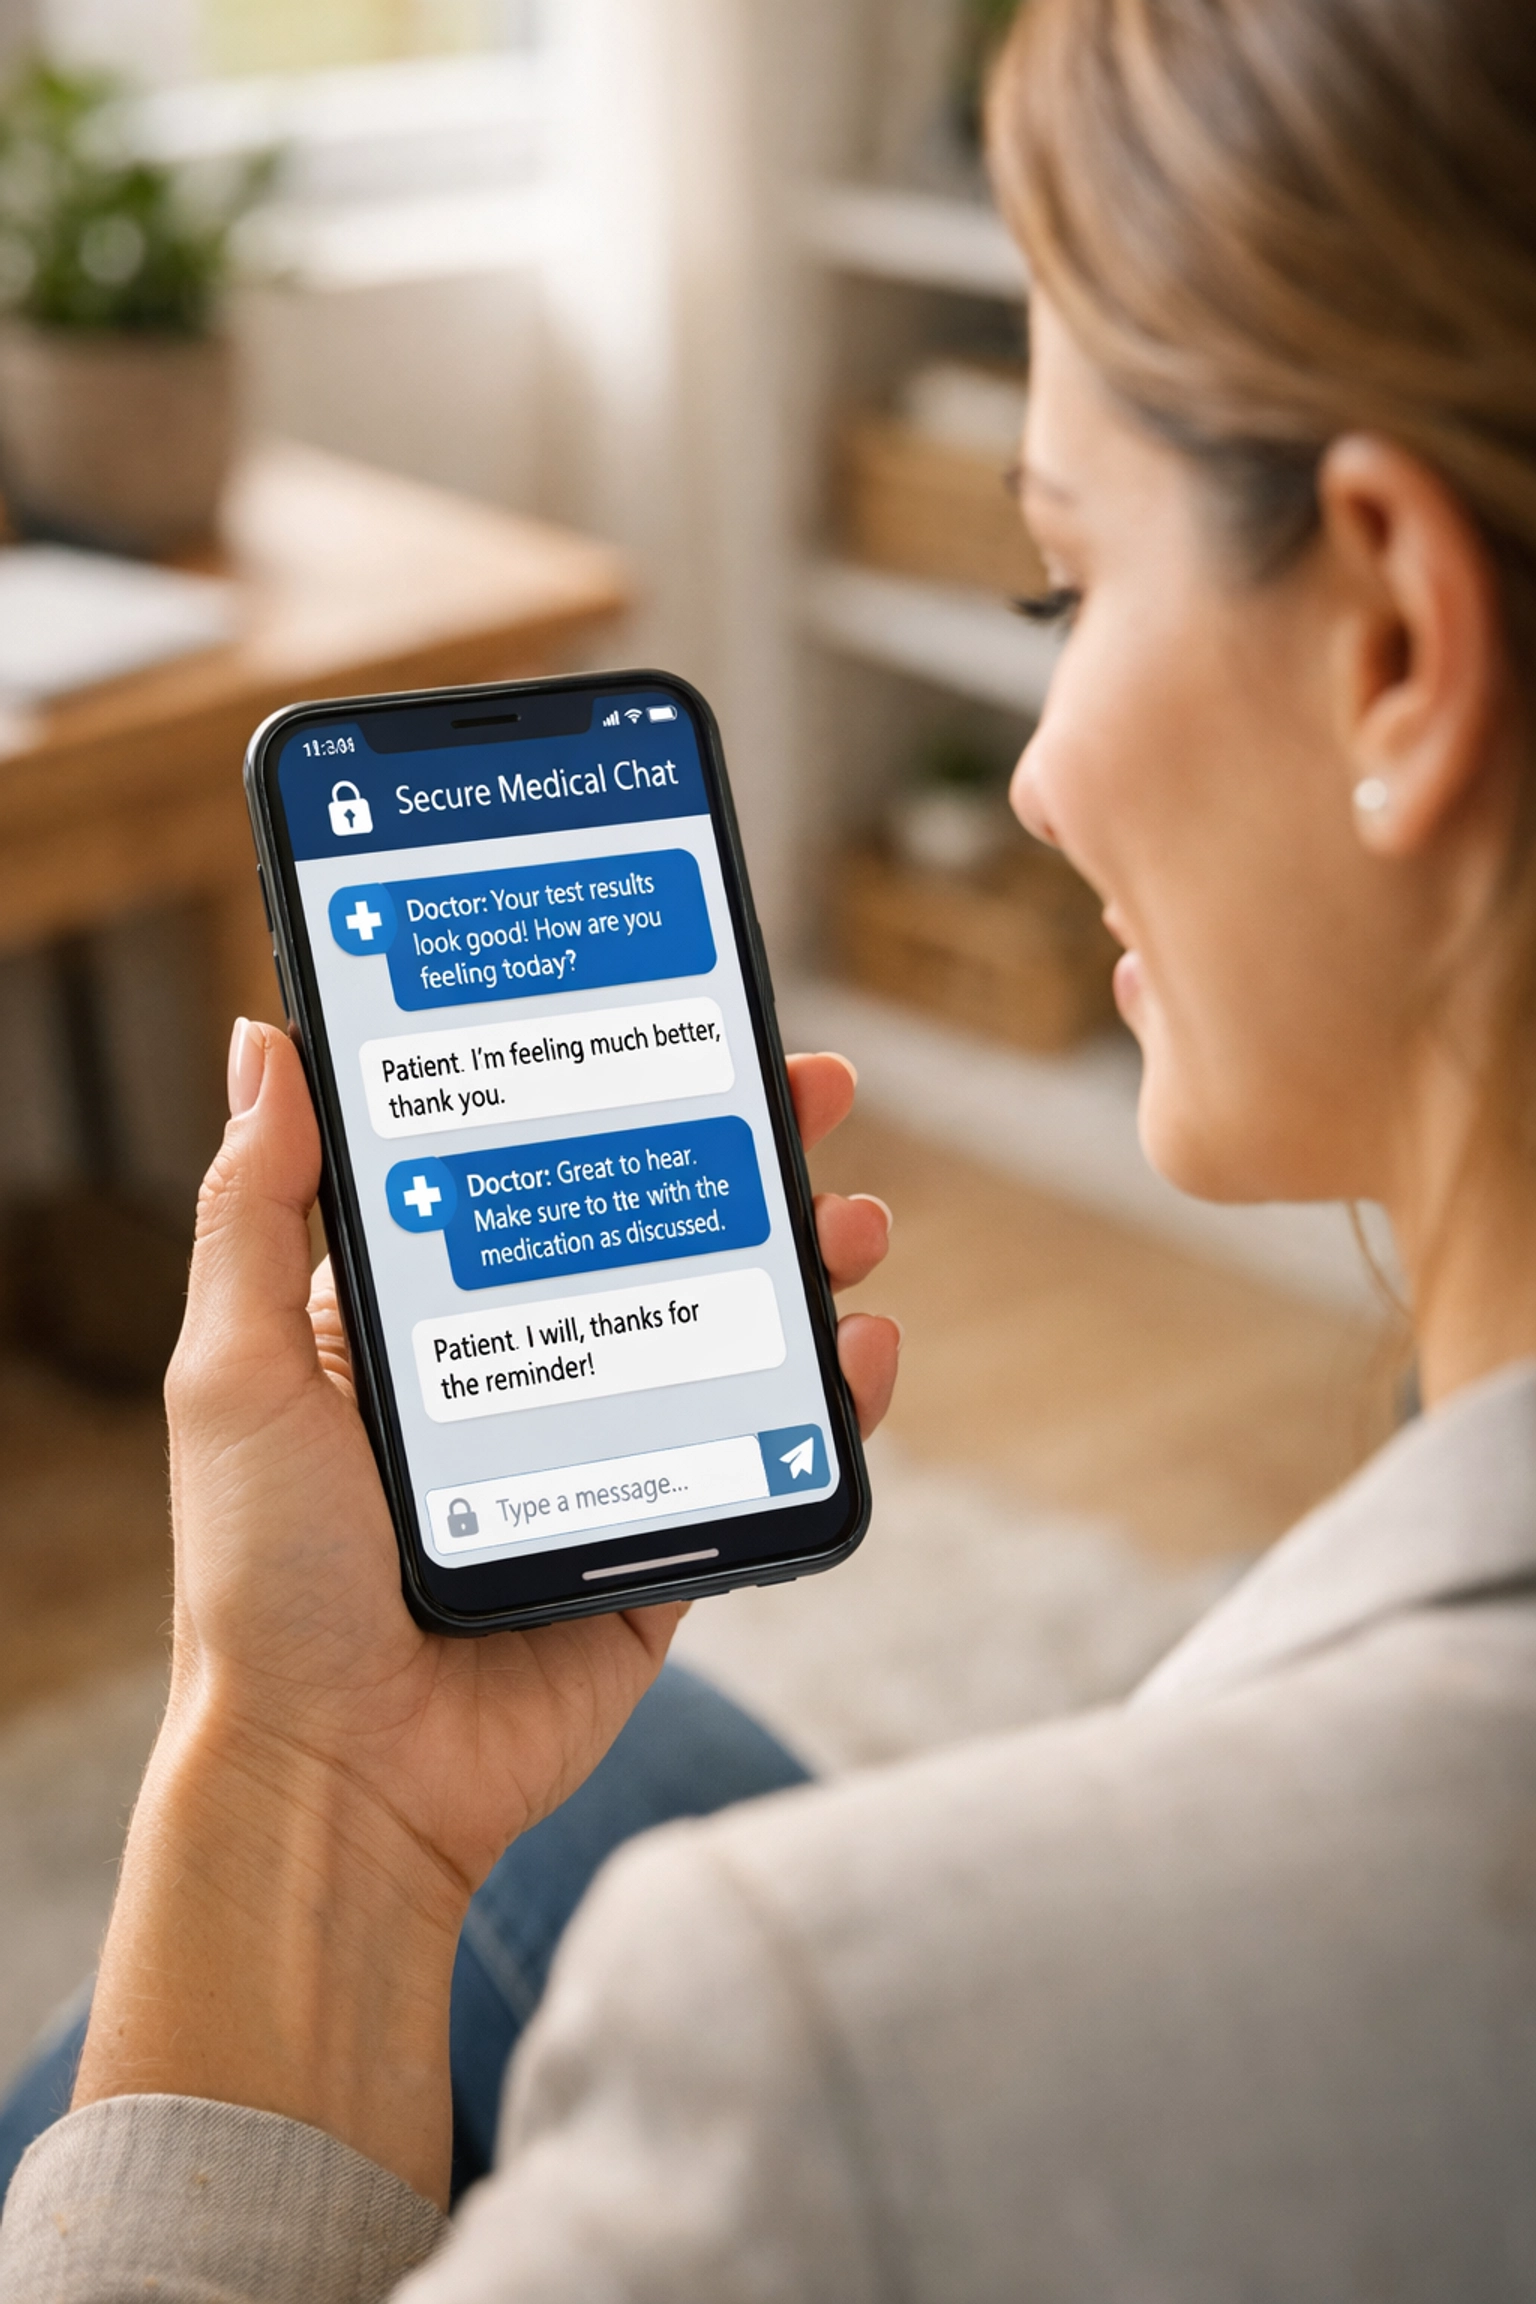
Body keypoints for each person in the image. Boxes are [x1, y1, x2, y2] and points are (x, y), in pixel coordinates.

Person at [6, 0, 1536, 2288]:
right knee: (629, 1764)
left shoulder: (812, 2057)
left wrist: (293, 1774)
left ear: (1399, 641)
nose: (1028, 774)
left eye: (1065, 583)